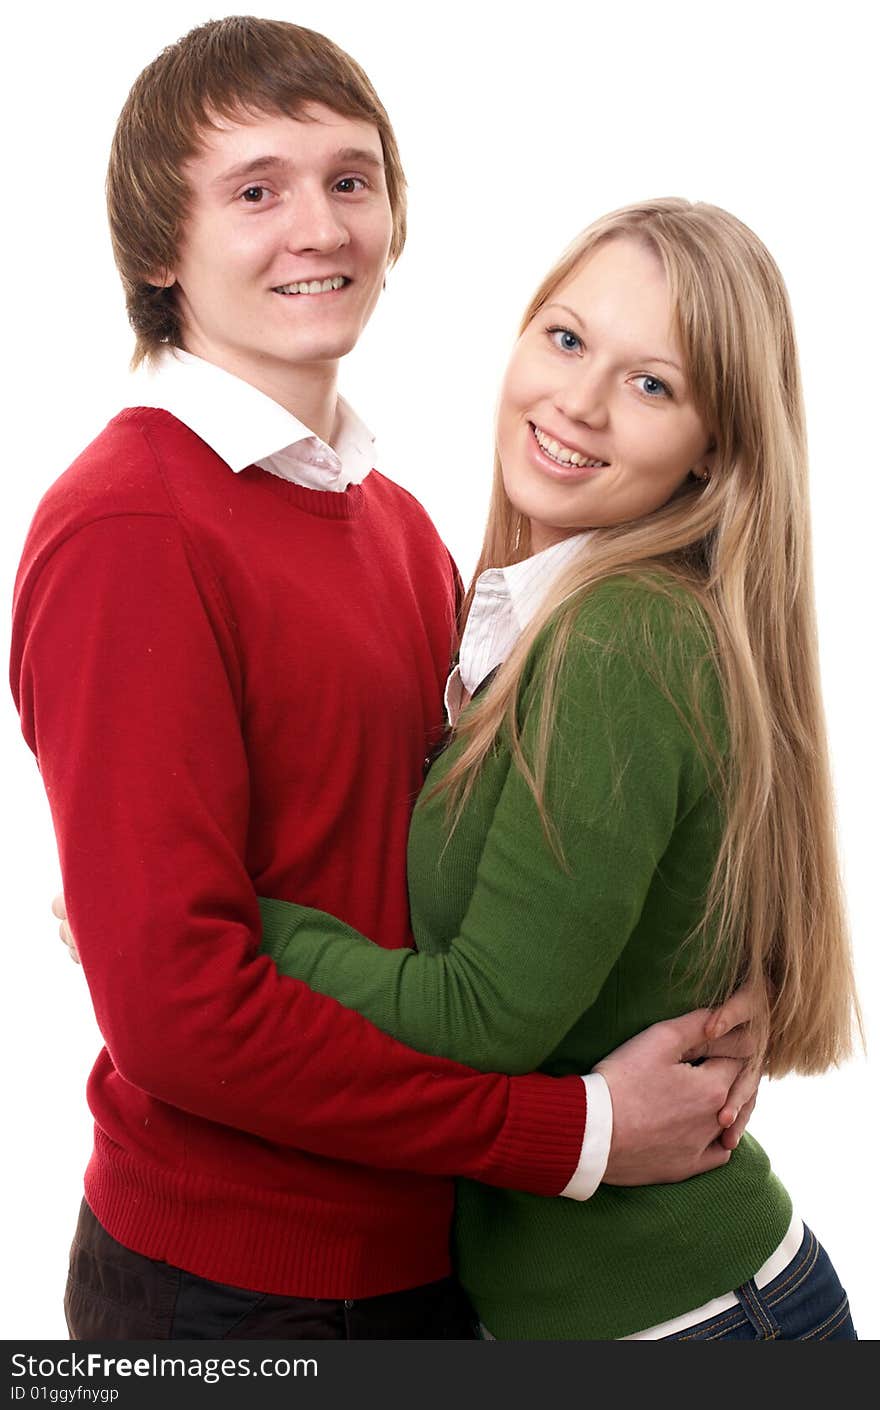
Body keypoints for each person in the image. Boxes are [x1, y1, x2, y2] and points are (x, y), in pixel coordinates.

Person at [10, 20, 755, 1342]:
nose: (320, 226)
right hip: (234, 1291)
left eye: (351, 180)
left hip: (427, 1256)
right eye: (257, 189)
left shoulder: (402, 527)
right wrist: (571, 1133)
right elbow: (180, 1012)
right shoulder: (130, 527)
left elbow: (466, 886)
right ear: (155, 251)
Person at [247, 201, 862, 1339]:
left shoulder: (621, 637)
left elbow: (481, 1015)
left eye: (652, 385)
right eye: (568, 340)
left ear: (714, 446)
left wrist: (228, 923)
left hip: (684, 1323)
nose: (575, 403)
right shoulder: (535, 617)